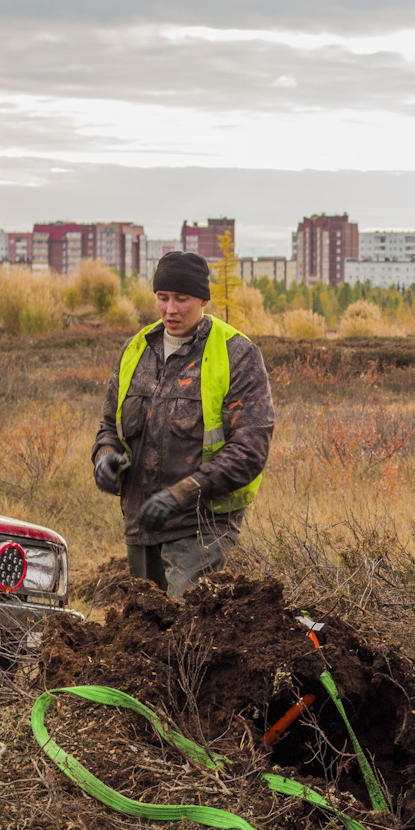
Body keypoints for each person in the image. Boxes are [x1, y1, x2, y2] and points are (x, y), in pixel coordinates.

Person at [92, 250, 275, 598]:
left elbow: (251, 450)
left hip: (201, 525)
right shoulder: (136, 350)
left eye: (182, 299)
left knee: (184, 625)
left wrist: (182, 494)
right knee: (145, 627)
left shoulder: (236, 354)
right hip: (142, 521)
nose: (170, 309)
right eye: (163, 298)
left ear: (204, 299)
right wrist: (105, 457)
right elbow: (108, 425)